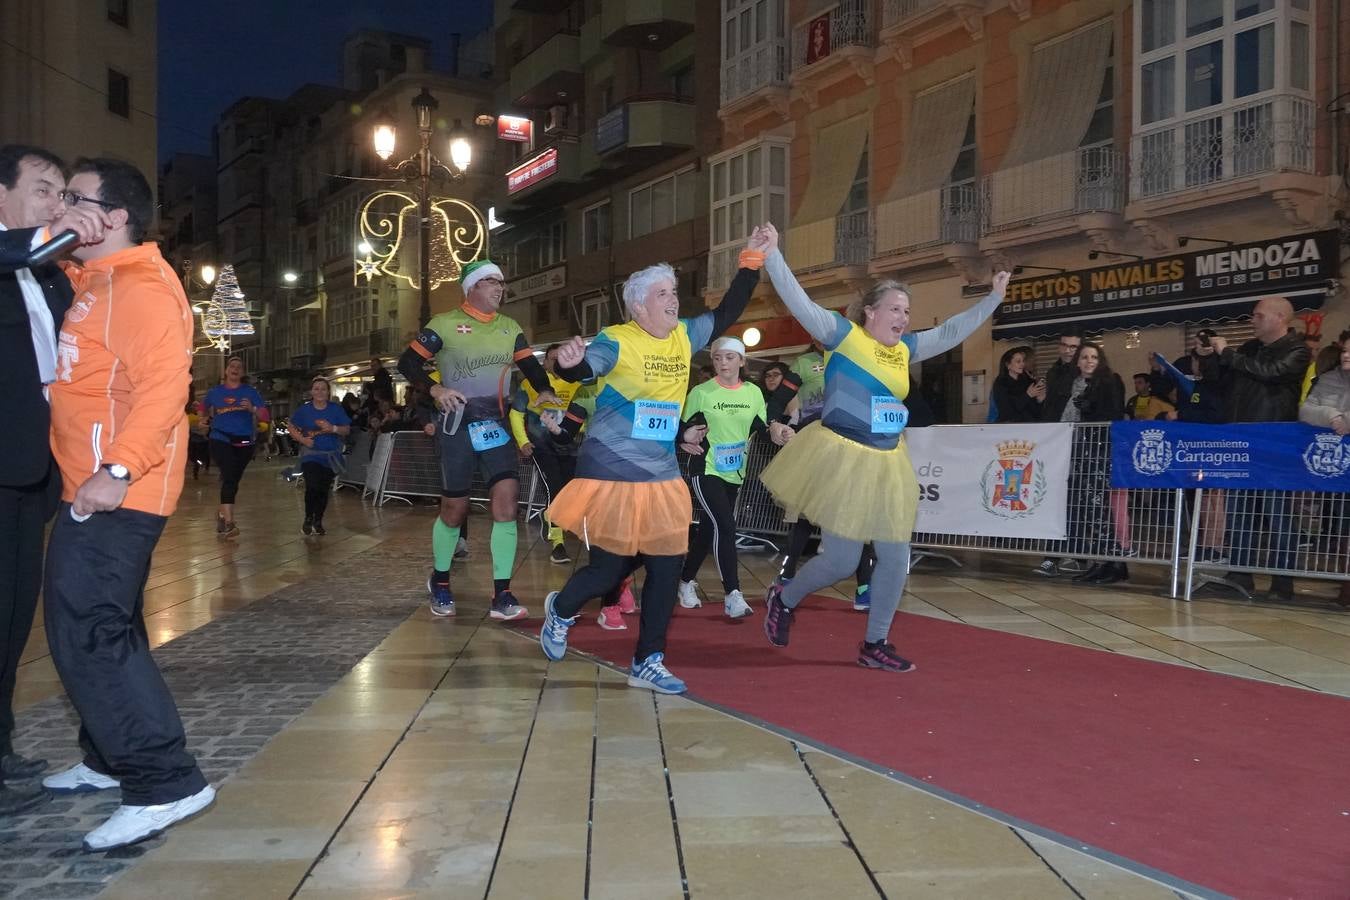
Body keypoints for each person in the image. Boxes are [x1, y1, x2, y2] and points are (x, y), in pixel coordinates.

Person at [39, 157, 214, 850]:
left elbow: (166, 389)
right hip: (89, 484)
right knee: (107, 625)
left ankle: (165, 780)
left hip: (119, 492)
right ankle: (107, 759)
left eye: (75, 200)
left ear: (115, 217)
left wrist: (116, 468)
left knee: (87, 629)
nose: (60, 211)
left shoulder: (141, 287)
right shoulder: (93, 279)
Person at [758, 222, 1010, 671]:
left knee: (895, 555)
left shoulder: (904, 350)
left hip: (888, 460)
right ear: (871, 311)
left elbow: (951, 332)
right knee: (840, 560)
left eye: (907, 312)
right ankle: (786, 595)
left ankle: (875, 643)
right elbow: (799, 301)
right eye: (895, 308)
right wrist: (773, 255)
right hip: (842, 457)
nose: (903, 318)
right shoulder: (843, 336)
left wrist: (992, 298)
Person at [537, 228, 768, 693]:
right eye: (663, 294)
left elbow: (727, 312)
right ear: (639, 306)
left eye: (674, 293)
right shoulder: (616, 339)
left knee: (665, 567)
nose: (673, 301)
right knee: (609, 568)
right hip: (612, 473)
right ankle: (561, 610)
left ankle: (649, 661)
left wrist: (752, 259)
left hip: (662, 476)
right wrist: (566, 362)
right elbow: (586, 368)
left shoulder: (684, 335)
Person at [0, 144, 111, 816]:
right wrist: (62, 230)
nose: (57, 204)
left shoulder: (48, 275)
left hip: (34, 468)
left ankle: (2, 743)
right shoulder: (21, 253)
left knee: (13, 616)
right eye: (44, 189)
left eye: (64, 193)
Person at [397, 259, 560, 621]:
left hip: (495, 428)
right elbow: (407, 363)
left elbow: (529, 365)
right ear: (471, 287)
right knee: (454, 510)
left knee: (506, 505)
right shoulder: (443, 324)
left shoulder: (509, 327)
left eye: (501, 283)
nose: (499, 288)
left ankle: (502, 593)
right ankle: (440, 581)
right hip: (456, 427)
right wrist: (435, 388)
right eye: (490, 282)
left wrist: (545, 390)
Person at [1196, 297, 1312, 603]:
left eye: (1259, 316)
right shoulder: (1248, 349)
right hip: (1241, 438)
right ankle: (1239, 576)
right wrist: (1208, 357)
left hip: (1274, 438)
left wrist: (1229, 354)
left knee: (1277, 511)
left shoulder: (1298, 350)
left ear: (1279, 318)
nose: (1253, 320)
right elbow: (1218, 383)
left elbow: (1271, 372)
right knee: (1238, 511)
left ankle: (1282, 581)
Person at [678, 336, 790, 618]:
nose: (723, 363)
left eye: (729, 357)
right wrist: (682, 438)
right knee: (726, 527)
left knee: (707, 530)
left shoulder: (753, 393)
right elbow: (680, 427)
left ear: (742, 361)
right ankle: (733, 594)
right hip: (706, 469)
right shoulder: (701, 393)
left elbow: (762, 427)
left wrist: (778, 432)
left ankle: (684, 581)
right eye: (717, 358)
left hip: (735, 472)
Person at [509, 343, 591, 566]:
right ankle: (558, 543)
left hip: (573, 445)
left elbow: (588, 412)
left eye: (559, 358)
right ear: (544, 363)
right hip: (542, 445)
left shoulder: (577, 384)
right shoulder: (530, 384)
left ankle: (552, 519)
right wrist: (523, 441)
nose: (555, 362)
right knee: (554, 486)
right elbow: (516, 414)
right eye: (551, 358)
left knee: (571, 490)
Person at [1057, 343, 1129, 585]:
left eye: (1094, 357)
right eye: (1085, 357)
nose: (1089, 361)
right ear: (1078, 361)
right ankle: (1100, 559)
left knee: (1099, 507)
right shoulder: (1076, 385)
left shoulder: (1109, 381)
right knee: (1090, 509)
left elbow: (1113, 412)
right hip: (1081, 451)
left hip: (1100, 450)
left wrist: (1090, 409)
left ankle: (1112, 562)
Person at [1299, 342, 1350, 607]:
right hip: (1338, 468)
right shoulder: (1329, 379)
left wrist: (1348, 421)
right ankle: (1346, 582)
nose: (1346, 355)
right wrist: (1332, 416)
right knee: (1342, 527)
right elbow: (1306, 410)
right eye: (1345, 350)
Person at [1032, 329, 1084, 578]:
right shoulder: (1053, 371)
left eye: (1073, 346)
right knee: (1055, 500)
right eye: (1064, 344)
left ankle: (1074, 553)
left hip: (1076, 444)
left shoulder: (1082, 374)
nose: (1067, 350)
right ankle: (1052, 555)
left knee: (1075, 501)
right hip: (1053, 443)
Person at [201, 356, 266, 538]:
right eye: (232, 366)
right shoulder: (215, 392)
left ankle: (222, 514)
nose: (235, 369)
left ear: (242, 373)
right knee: (229, 475)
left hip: (244, 441)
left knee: (233, 480)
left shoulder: (250, 392)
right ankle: (230, 524)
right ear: (226, 370)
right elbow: (203, 408)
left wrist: (252, 409)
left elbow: (265, 415)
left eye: (239, 367)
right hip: (220, 437)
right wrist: (203, 419)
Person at [290, 376, 352, 536]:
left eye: (323, 389)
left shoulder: (335, 409)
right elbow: (291, 426)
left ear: (328, 392)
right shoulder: (304, 410)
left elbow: (347, 429)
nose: (319, 392)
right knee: (312, 486)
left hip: (330, 456)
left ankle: (318, 519)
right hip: (311, 455)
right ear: (311, 391)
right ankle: (308, 518)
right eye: (316, 388)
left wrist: (333, 429)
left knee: (323, 489)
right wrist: (302, 439)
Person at [990, 346, 1041, 423]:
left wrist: (1041, 400)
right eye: (1018, 361)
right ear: (1008, 365)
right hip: (1012, 428)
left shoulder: (1027, 380)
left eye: (1023, 361)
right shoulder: (1001, 384)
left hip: (1030, 425)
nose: (1022, 364)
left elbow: (1035, 409)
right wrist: (1028, 395)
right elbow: (1007, 412)